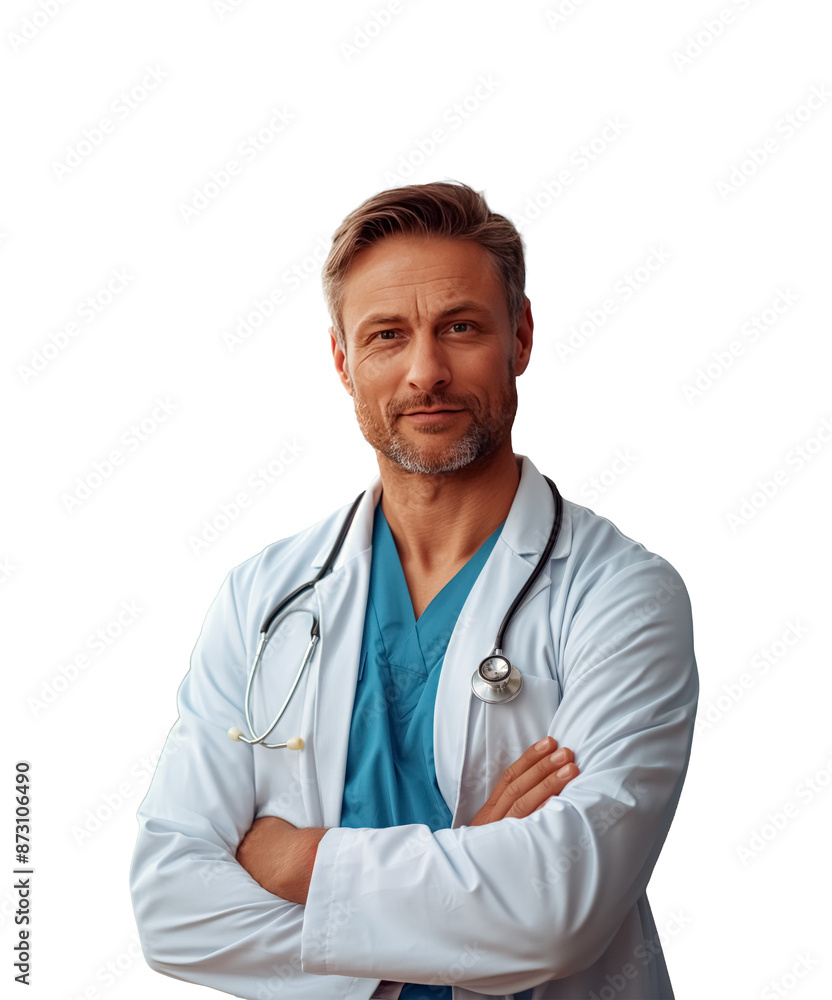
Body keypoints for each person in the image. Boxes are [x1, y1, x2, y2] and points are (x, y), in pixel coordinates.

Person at [129, 180, 698, 1000]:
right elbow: (171, 907)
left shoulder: (621, 597)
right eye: (387, 335)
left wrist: (296, 859)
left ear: (522, 336)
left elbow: (564, 910)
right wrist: (472, 862)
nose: (425, 372)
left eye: (460, 328)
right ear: (342, 360)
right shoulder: (265, 596)